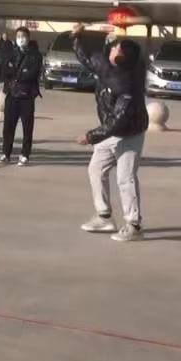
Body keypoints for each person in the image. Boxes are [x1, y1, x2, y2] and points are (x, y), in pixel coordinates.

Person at [72, 23, 149, 243]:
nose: (112, 48)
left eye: (116, 48)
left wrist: (91, 136)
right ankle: (104, 217)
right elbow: (87, 59)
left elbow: (117, 122)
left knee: (125, 178)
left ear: (121, 58)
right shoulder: (107, 65)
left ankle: (134, 225)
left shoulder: (126, 84)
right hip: (110, 130)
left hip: (129, 132)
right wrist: (78, 37)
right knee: (96, 169)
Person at [0, 27, 43, 165]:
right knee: (8, 127)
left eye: (23, 36)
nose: (21, 39)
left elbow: (32, 73)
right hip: (12, 94)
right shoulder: (11, 52)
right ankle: (6, 153)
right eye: (18, 36)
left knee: (27, 127)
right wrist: (17, 72)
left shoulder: (35, 55)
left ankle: (25, 154)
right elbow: (5, 70)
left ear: (28, 38)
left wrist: (17, 74)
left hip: (27, 95)